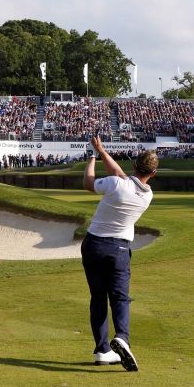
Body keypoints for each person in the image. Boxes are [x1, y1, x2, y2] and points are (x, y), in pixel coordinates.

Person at [81, 136, 158, 371]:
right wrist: (102, 150)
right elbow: (122, 176)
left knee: (98, 297)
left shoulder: (115, 184)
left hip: (93, 245)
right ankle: (122, 337)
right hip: (119, 249)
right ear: (153, 174)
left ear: (134, 165)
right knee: (120, 298)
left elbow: (88, 183)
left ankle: (102, 350)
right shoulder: (147, 195)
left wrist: (92, 156)